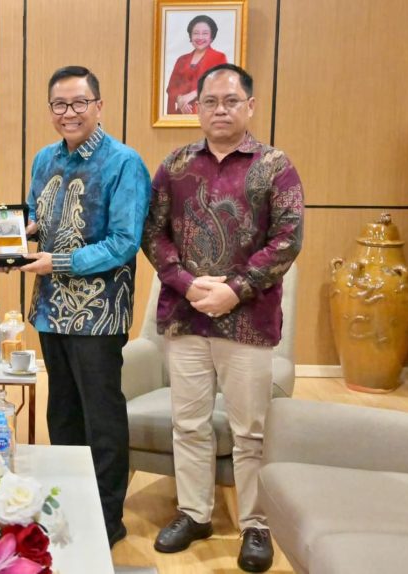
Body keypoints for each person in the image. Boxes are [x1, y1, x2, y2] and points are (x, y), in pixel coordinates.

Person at [143, 64, 303, 573]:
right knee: (188, 423)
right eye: (209, 101)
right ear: (197, 108)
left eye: (231, 101)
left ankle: (256, 523)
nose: (220, 110)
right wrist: (187, 284)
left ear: (250, 106)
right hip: (186, 315)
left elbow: (288, 238)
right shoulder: (174, 164)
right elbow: (153, 233)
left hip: (248, 320)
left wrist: (235, 290)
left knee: (250, 431)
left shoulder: (275, 166)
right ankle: (195, 513)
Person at [20, 65, 151, 548]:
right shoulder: (45, 158)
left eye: (79, 103)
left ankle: (107, 518)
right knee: (63, 413)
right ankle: (70, 504)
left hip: (99, 314)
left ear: (98, 105)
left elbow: (124, 241)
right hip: (50, 309)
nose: (68, 112)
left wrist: (57, 261)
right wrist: (19, 231)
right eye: (59, 104)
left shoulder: (123, 162)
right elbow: (34, 212)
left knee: (102, 417)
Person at [165, 15, 227, 114]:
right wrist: (180, 100)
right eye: (196, 33)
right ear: (191, 36)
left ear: (211, 36)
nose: (200, 37)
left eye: (205, 33)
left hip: (207, 114)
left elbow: (221, 85)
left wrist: (193, 94)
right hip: (180, 114)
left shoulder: (219, 57)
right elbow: (171, 88)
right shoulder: (181, 60)